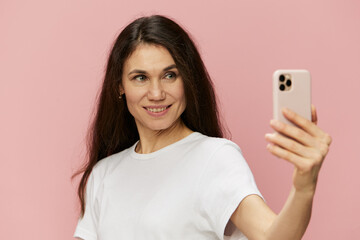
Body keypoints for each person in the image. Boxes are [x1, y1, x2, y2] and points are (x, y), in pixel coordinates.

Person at [73, 15, 332, 240]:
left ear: (188, 79)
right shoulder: (103, 175)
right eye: (140, 78)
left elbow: (272, 236)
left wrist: (304, 188)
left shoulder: (214, 158)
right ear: (120, 86)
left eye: (170, 75)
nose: (156, 93)